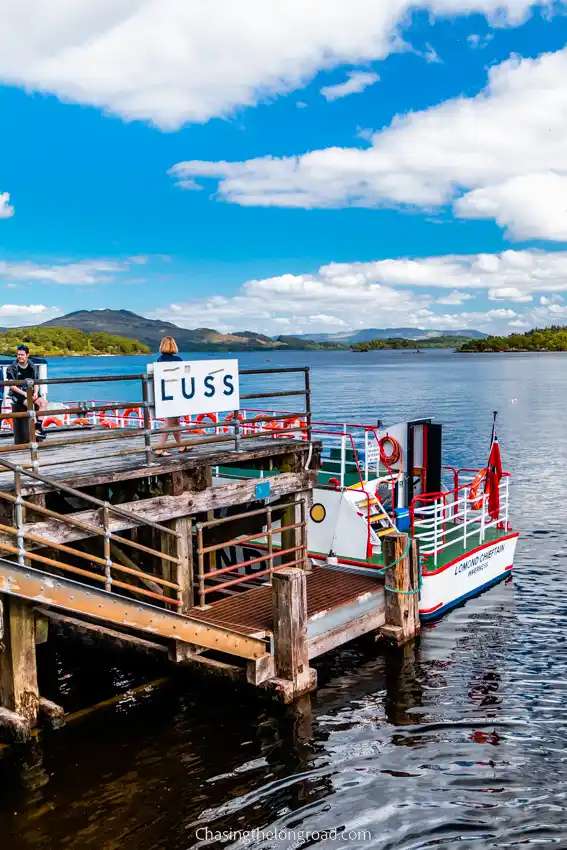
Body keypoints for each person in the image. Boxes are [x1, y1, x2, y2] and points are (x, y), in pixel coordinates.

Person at [6, 344, 47, 444]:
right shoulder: (11, 368)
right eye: (18, 354)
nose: (20, 356)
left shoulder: (32, 366)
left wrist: (36, 392)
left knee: (43, 403)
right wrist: (24, 394)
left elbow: (35, 382)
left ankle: (38, 427)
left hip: (31, 390)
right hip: (18, 392)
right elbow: (12, 386)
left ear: (27, 355)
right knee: (30, 405)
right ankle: (33, 430)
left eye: (22, 355)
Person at [154, 336, 188, 456]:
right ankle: (159, 448)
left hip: (164, 393)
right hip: (175, 394)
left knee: (176, 422)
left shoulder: (159, 360)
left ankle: (181, 446)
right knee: (169, 422)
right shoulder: (178, 360)